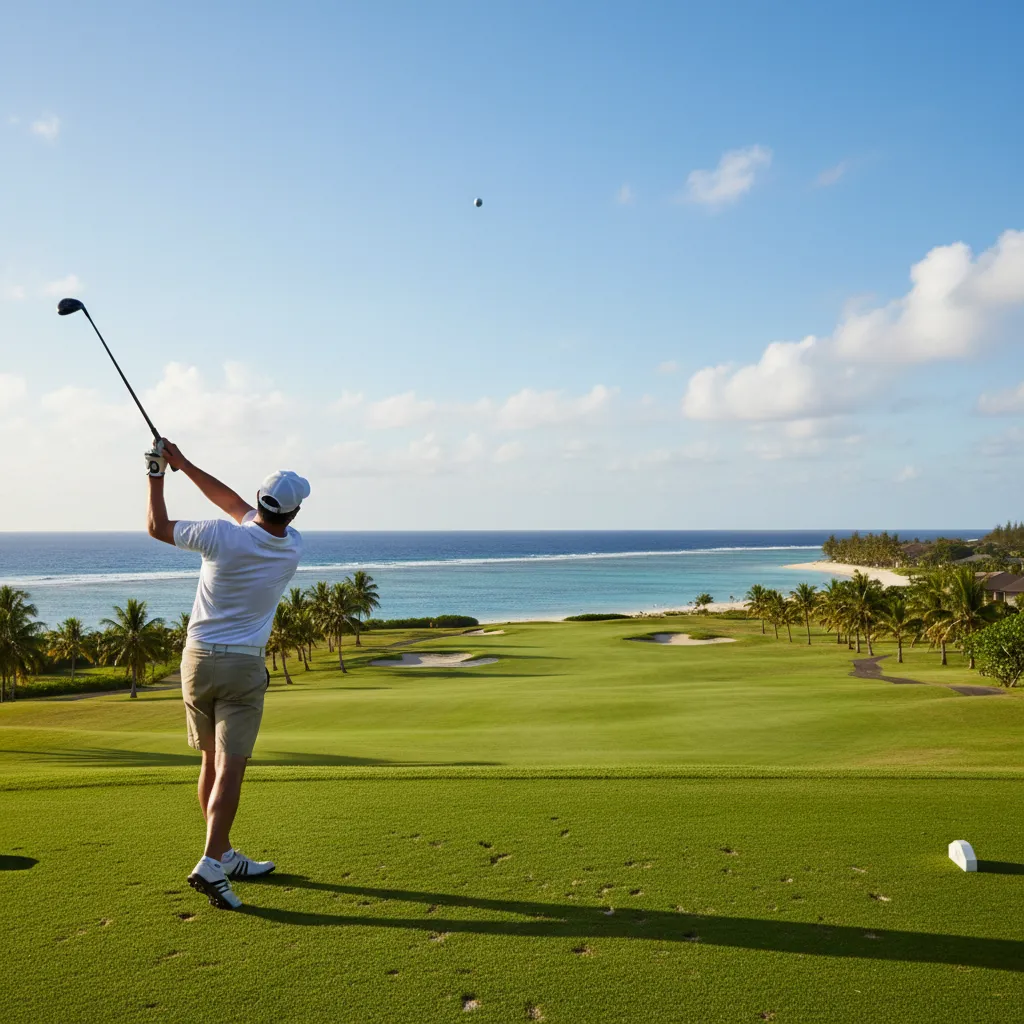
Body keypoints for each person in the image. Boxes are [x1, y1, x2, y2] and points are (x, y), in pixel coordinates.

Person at [146, 439, 310, 910]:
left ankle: (224, 853)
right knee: (231, 769)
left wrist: (160, 472)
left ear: (259, 500)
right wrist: (184, 465)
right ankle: (212, 863)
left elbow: (158, 526)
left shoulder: (221, 535)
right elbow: (234, 504)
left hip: (195, 661)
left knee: (210, 765)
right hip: (242, 666)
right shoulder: (291, 548)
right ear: (293, 515)